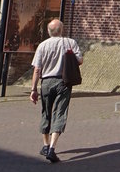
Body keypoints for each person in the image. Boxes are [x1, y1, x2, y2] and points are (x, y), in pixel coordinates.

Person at [30, 18, 82, 163]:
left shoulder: (42, 46)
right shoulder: (70, 43)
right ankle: (52, 148)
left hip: (46, 82)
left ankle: (45, 145)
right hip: (63, 82)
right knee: (60, 112)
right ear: (62, 30)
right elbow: (80, 60)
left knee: (46, 112)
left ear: (48, 31)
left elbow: (37, 69)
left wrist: (33, 89)